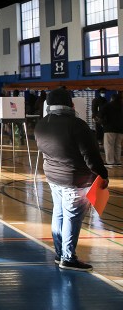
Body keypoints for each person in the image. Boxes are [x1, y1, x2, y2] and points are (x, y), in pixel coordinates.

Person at [35, 87, 108, 271]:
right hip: (75, 180)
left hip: (53, 177)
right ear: (71, 104)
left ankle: (60, 253)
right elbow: (91, 156)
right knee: (72, 217)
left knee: (59, 214)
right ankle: (68, 257)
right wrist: (103, 174)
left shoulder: (42, 124)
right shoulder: (77, 125)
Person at [99, 91, 123, 166]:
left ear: (112, 99)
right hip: (120, 129)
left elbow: (100, 115)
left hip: (109, 129)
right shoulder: (122, 106)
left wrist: (102, 123)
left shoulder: (108, 105)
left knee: (109, 145)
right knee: (118, 146)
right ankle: (117, 161)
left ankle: (110, 162)